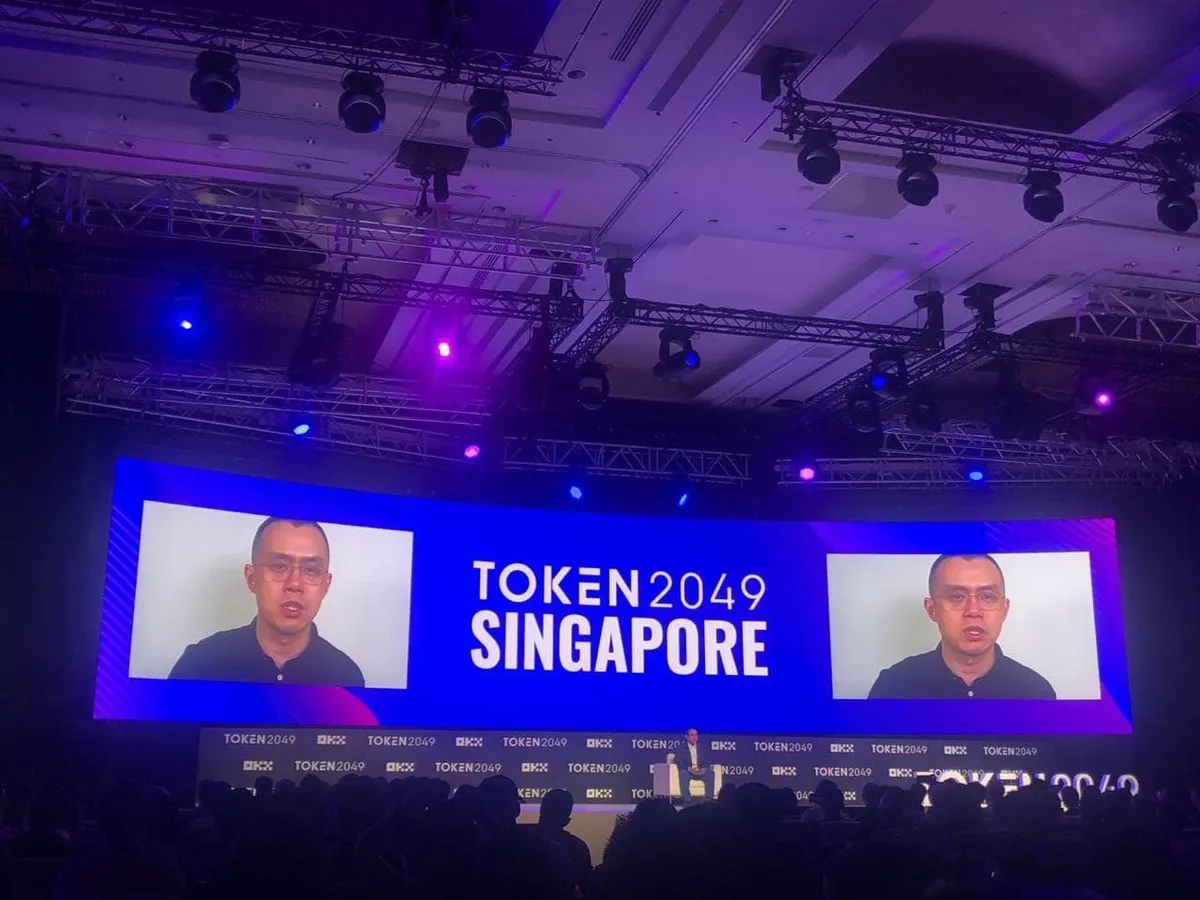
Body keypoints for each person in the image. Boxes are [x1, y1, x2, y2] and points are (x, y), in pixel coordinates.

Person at [168, 517, 364, 686]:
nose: (294, 584)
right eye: (279, 566)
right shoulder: (200, 664)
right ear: (251, 578)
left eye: (311, 570)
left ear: (326, 585)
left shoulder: (345, 677)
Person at [867, 553, 1055, 699]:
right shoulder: (894, 687)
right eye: (957, 597)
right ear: (932, 609)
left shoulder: (1035, 692)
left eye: (987, 597)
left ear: (1004, 610)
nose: (973, 611)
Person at [675, 728, 715, 802]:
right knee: (683, 773)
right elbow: (679, 762)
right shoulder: (680, 748)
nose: (695, 737)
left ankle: (708, 800)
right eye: (692, 735)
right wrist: (689, 769)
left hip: (700, 771)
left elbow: (708, 760)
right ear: (686, 737)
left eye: (696, 735)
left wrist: (704, 768)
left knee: (710, 773)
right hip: (689, 771)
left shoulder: (703, 748)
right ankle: (687, 800)